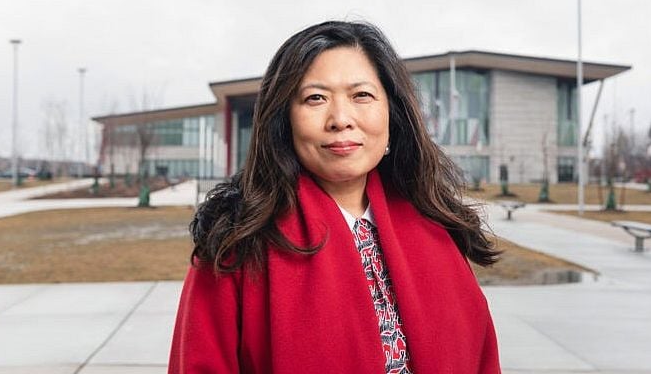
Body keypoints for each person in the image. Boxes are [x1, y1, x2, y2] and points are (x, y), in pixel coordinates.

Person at [169, 21, 502, 373]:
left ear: (393, 112)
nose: (341, 119)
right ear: (285, 120)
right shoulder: (236, 240)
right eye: (315, 98)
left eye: (361, 95)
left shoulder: (436, 228)